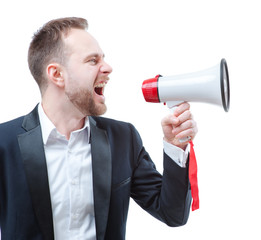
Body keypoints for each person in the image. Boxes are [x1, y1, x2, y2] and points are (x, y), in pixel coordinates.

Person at [0, 17, 197, 240]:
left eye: (103, 58)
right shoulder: (4, 143)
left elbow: (173, 214)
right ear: (57, 74)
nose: (108, 68)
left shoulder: (123, 139)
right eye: (93, 61)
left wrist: (174, 146)